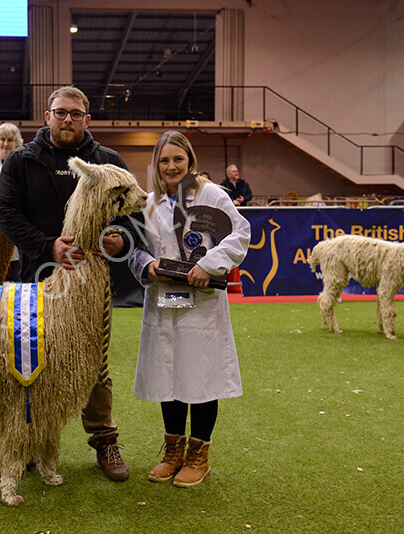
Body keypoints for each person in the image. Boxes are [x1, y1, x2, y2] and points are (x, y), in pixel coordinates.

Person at [0, 86, 139, 482]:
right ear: (47, 116)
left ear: (87, 119)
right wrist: (47, 246)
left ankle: (104, 439)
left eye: (76, 114)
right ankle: (27, 441)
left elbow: (135, 216)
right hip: (35, 280)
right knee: (28, 360)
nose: (68, 120)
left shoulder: (108, 162)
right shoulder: (23, 161)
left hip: (91, 288)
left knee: (93, 364)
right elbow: (5, 213)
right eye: (60, 112)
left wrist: (121, 239)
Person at [128, 131, 250, 487]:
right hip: (166, 297)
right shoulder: (148, 203)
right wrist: (147, 264)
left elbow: (239, 234)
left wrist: (210, 264)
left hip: (202, 300)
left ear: (190, 160)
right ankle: (173, 452)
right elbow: (136, 247)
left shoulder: (211, 194)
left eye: (178, 160)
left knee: (200, 374)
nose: (171, 167)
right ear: (155, 165)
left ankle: (199, 455)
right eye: (164, 161)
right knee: (169, 372)